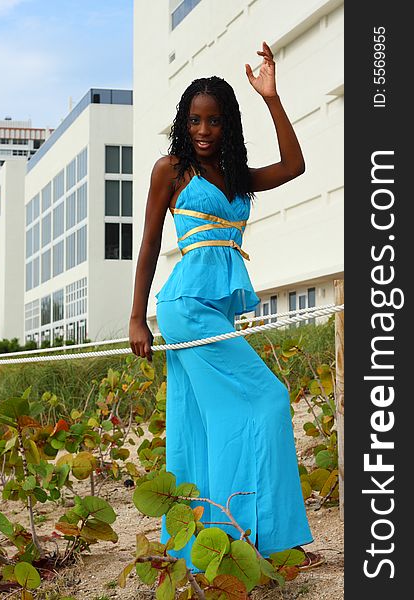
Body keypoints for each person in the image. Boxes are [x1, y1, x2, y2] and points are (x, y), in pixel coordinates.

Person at [129, 41, 324, 573]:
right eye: (194, 120)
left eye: (214, 121)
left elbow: (295, 164)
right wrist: (135, 316)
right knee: (268, 398)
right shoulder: (171, 171)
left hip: (211, 310)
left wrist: (272, 96)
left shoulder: (237, 177)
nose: (203, 130)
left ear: (227, 125)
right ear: (183, 122)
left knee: (201, 422)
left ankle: (221, 540)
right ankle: (267, 536)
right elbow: (147, 245)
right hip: (184, 305)